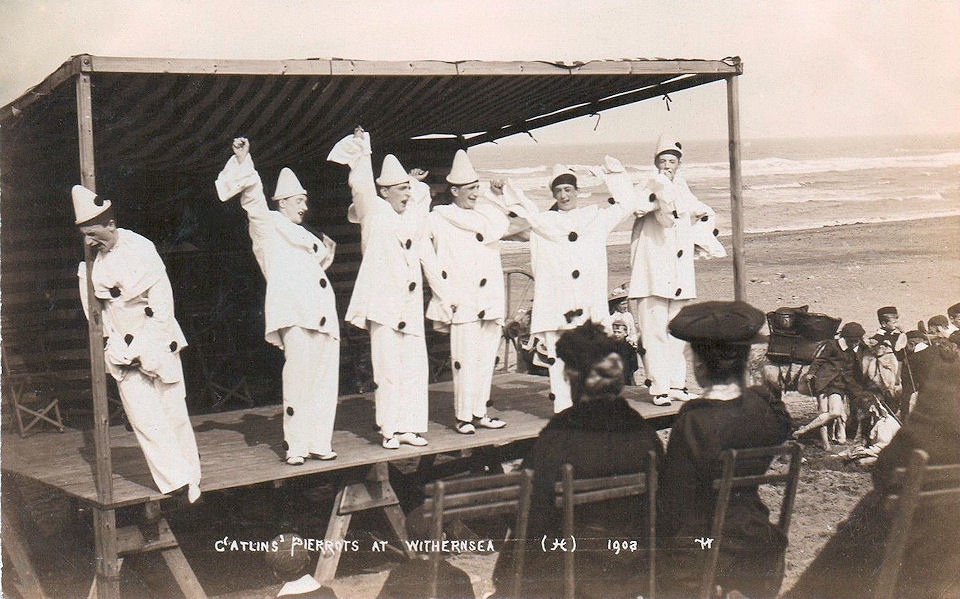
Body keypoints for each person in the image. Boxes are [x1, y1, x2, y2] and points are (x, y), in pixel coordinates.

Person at [492, 321, 664, 599]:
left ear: (572, 377)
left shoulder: (559, 436)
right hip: (632, 567)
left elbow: (528, 512)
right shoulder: (644, 435)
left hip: (568, 572)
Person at [787, 341, 960, 599]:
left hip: (918, 559)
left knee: (872, 519)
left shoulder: (950, 379)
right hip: (948, 564)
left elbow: (887, 468)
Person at [72, 184, 202, 502]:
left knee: (173, 412)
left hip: (156, 341)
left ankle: (192, 477)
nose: (89, 241)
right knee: (144, 418)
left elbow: (161, 306)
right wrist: (115, 346)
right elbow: (96, 316)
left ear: (110, 224)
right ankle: (175, 484)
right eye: (85, 236)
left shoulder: (141, 249)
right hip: (121, 349)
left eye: (93, 233)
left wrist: (148, 348)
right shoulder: (90, 267)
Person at [216, 138, 340, 465]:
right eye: (299, 201)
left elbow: (310, 266)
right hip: (295, 314)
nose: (304, 207)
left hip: (323, 313)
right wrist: (245, 160)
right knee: (298, 378)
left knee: (325, 380)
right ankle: (296, 445)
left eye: (305, 201)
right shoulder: (268, 228)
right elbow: (254, 202)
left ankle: (319, 441)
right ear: (282, 202)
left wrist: (326, 254)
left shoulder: (305, 236)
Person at [657, 301, 793, 599]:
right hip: (759, 540)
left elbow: (673, 495)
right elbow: (784, 423)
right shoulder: (765, 408)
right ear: (744, 359)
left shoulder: (695, 418)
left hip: (704, 548)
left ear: (700, 365)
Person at [327, 128, 452, 449]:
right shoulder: (374, 213)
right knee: (388, 370)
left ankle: (410, 427)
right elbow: (362, 185)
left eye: (407, 189)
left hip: (409, 306)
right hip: (383, 306)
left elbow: (429, 259)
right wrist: (364, 150)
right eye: (400, 190)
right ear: (385, 192)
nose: (406, 194)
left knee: (414, 367)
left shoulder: (413, 218)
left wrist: (444, 296)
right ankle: (389, 430)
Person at [506, 157, 648, 412]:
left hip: (586, 300)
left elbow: (627, 204)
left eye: (568, 189)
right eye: (558, 191)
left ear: (576, 191)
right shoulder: (544, 223)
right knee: (558, 356)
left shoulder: (594, 218)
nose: (563, 195)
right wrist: (500, 192)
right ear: (553, 194)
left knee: (591, 354)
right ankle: (562, 407)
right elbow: (515, 214)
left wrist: (613, 173)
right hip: (558, 301)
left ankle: (590, 403)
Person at [423, 149, 529, 434]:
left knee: (485, 359)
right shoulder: (439, 217)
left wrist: (501, 197)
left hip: (490, 298)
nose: (474, 193)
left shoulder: (486, 216)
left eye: (476, 188)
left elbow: (526, 229)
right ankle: (463, 416)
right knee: (464, 360)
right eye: (470, 189)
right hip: (462, 300)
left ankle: (479, 411)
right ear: (454, 190)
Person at [628, 134, 721, 406]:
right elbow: (639, 207)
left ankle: (676, 384)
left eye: (672, 161)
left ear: (679, 164)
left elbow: (703, 212)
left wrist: (699, 227)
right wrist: (660, 196)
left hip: (679, 273)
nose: (667, 165)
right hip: (653, 273)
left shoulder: (682, 188)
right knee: (654, 331)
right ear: (655, 163)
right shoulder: (648, 184)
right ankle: (658, 388)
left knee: (678, 331)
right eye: (663, 160)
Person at [792, 321, 872, 449]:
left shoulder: (860, 347)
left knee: (834, 412)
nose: (855, 343)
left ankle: (803, 429)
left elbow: (870, 355)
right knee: (823, 411)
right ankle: (825, 444)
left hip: (839, 386)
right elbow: (819, 361)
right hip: (824, 382)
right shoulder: (832, 345)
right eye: (852, 341)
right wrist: (811, 373)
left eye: (857, 341)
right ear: (845, 338)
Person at [610, 312, 641, 385]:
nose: (616, 334)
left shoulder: (630, 348)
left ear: (625, 333)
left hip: (626, 377)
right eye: (615, 332)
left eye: (619, 332)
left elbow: (634, 365)